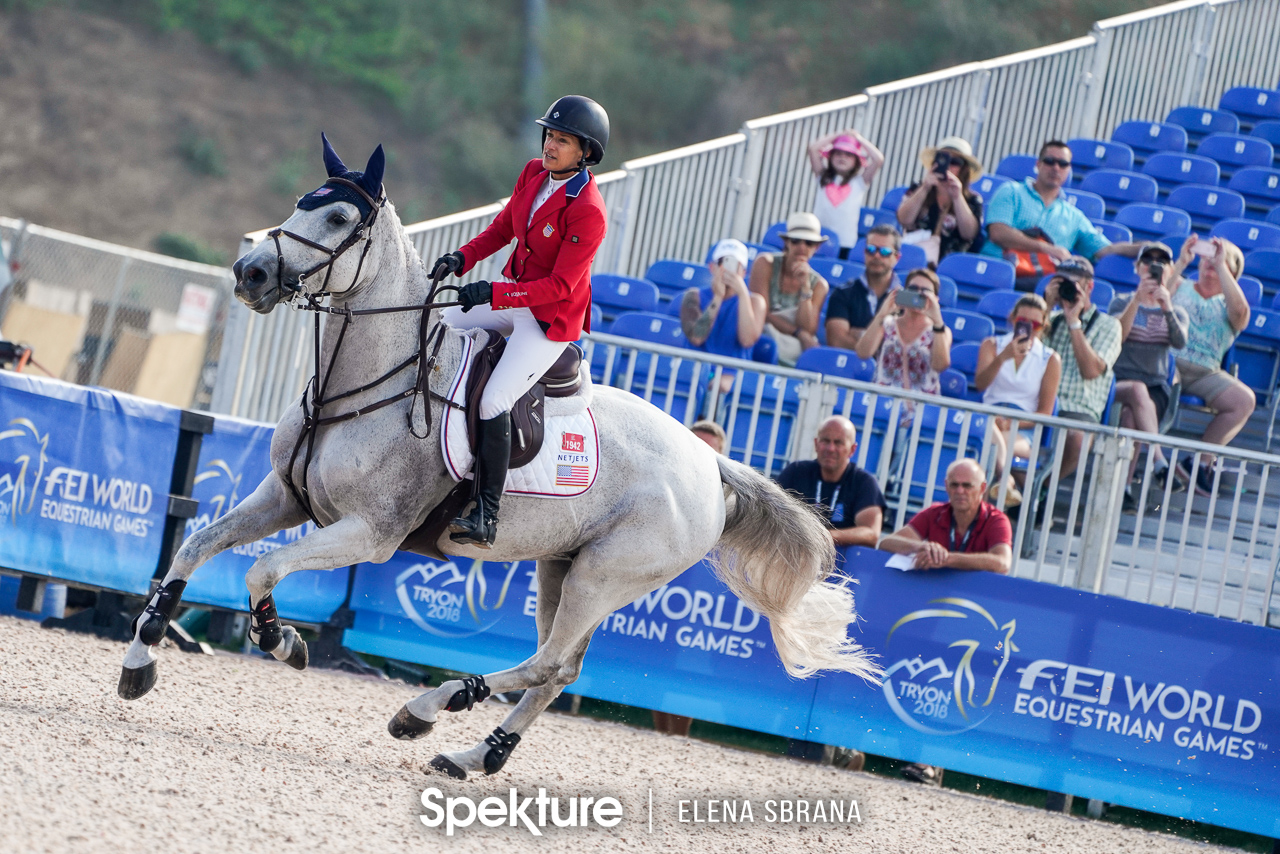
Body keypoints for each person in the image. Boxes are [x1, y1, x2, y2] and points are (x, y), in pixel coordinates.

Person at [430, 95, 609, 548]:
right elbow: (504, 228)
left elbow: (560, 287)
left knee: (494, 400)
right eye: (549, 135)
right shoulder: (532, 172)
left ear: (586, 152)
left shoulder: (588, 210)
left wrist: (493, 292)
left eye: (562, 140)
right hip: (512, 295)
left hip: (547, 320)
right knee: (438, 325)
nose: (550, 145)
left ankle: (486, 514)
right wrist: (462, 259)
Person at [876, 456, 1013, 788]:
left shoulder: (997, 519)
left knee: (953, 688)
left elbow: (1002, 562)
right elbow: (886, 542)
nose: (961, 491)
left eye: (968, 485)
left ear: (983, 489)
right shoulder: (935, 514)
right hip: (932, 614)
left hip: (976, 621)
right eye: (954, 485)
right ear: (946, 487)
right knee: (914, 677)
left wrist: (947, 558)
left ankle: (929, 762)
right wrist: (922, 546)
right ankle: (915, 759)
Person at [982, 140, 1142, 289]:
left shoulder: (1074, 216)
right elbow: (998, 233)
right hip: (996, 275)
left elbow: (1104, 250)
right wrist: (1048, 249)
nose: (1056, 168)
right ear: (1038, 164)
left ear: (1069, 170)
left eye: (1063, 164)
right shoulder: (1011, 191)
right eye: (1050, 161)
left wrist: (1144, 248)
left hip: (1042, 288)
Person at [1168, 234, 1252, 496]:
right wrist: (1181, 262)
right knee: (1157, 384)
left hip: (1207, 371)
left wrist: (1222, 267)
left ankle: (1199, 463)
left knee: (1244, 400)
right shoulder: (1180, 284)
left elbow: (1240, 316)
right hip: (1170, 364)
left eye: (1218, 258)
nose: (1209, 262)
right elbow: (1155, 298)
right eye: (1208, 255)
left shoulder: (1231, 303)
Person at [1108, 243, 1189, 506]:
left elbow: (1179, 343)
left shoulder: (1176, 311)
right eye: (1147, 261)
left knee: (1132, 415)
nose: (1153, 265)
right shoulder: (1120, 301)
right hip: (1119, 381)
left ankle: (1125, 489)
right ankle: (1158, 460)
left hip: (1155, 387)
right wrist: (1137, 300)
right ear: (1138, 267)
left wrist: (1165, 306)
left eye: (1161, 262)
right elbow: (1116, 336)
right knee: (1135, 391)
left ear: (1168, 270)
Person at [974, 294, 1062, 506]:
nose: (1029, 329)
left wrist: (1012, 422)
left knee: (989, 443)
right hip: (989, 417)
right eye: (1024, 322)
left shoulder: (1049, 359)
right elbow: (981, 384)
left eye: (1036, 325)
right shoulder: (992, 345)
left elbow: (1045, 412)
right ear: (1012, 319)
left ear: (1043, 327)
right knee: (988, 436)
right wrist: (1003, 357)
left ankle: (1000, 486)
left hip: (1023, 428)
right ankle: (1005, 482)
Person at [1041, 256, 1123, 480]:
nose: (1067, 289)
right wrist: (1045, 308)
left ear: (1089, 286)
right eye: (1062, 283)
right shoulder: (1049, 319)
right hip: (1041, 402)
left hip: (1079, 409)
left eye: (1073, 284)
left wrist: (1074, 322)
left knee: (1079, 439)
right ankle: (1029, 487)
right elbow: (1027, 357)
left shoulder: (1109, 325)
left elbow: (1091, 371)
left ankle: (1041, 488)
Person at [854, 267, 952, 428]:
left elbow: (940, 365)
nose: (918, 295)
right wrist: (882, 313)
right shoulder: (887, 324)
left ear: (935, 298)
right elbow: (863, 352)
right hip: (881, 409)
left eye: (925, 291)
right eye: (913, 289)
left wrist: (937, 322)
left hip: (922, 416)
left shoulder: (940, 331)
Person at [776, 416, 886, 548]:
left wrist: (826, 537)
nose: (831, 448)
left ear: (852, 449)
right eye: (825, 441)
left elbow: (871, 533)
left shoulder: (864, 482)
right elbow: (768, 511)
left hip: (841, 561)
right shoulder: (796, 471)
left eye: (838, 442)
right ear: (816, 444)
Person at [749, 212, 829, 367]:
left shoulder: (819, 284)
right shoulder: (765, 263)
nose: (802, 247)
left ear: (816, 247)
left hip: (791, 343)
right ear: (787, 242)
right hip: (763, 333)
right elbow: (760, 313)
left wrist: (805, 287)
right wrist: (797, 333)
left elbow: (809, 329)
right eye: (796, 240)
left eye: (809, 243)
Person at [896, 136, 985, 263]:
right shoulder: (918, 188)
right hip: (913, 260)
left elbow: (969, 233)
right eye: (943, 159)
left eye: (955, 162)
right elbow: (903, 219)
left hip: (952, 266)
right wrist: (925, 188)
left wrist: (957, 197)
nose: (948, 165)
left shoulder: (973, 200)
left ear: (963, 169)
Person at [680, 238, 767, 362]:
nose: (727, 270)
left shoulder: (756, 302)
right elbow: (696, 338)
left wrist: (742, 295)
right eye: (723, 262)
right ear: (712, 267)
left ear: (743, 272)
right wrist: (717, 297)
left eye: (734, 265)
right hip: (697, 371)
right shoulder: (693, 296)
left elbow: (747, 340)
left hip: (731, 374)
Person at [824, 225, 902, 350]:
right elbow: (836, 341)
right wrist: (880, 345)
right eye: (870, 249)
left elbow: (906, 346)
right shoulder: (842, 293)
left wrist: (860, 334)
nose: (876, 256)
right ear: (864, 252)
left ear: (897, 258)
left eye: (884, 252)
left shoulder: (904, 300)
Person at [808, 130, 884, 256]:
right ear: (830, 156)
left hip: (846, 242)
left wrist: (858, 138)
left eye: (848, 155)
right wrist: (838, 135)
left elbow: (878, 159)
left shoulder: (859, 182)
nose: (842, 158)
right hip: (818, 237)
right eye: (838, 153)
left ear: (856, 160)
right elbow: (813, 149)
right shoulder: (823, 177)